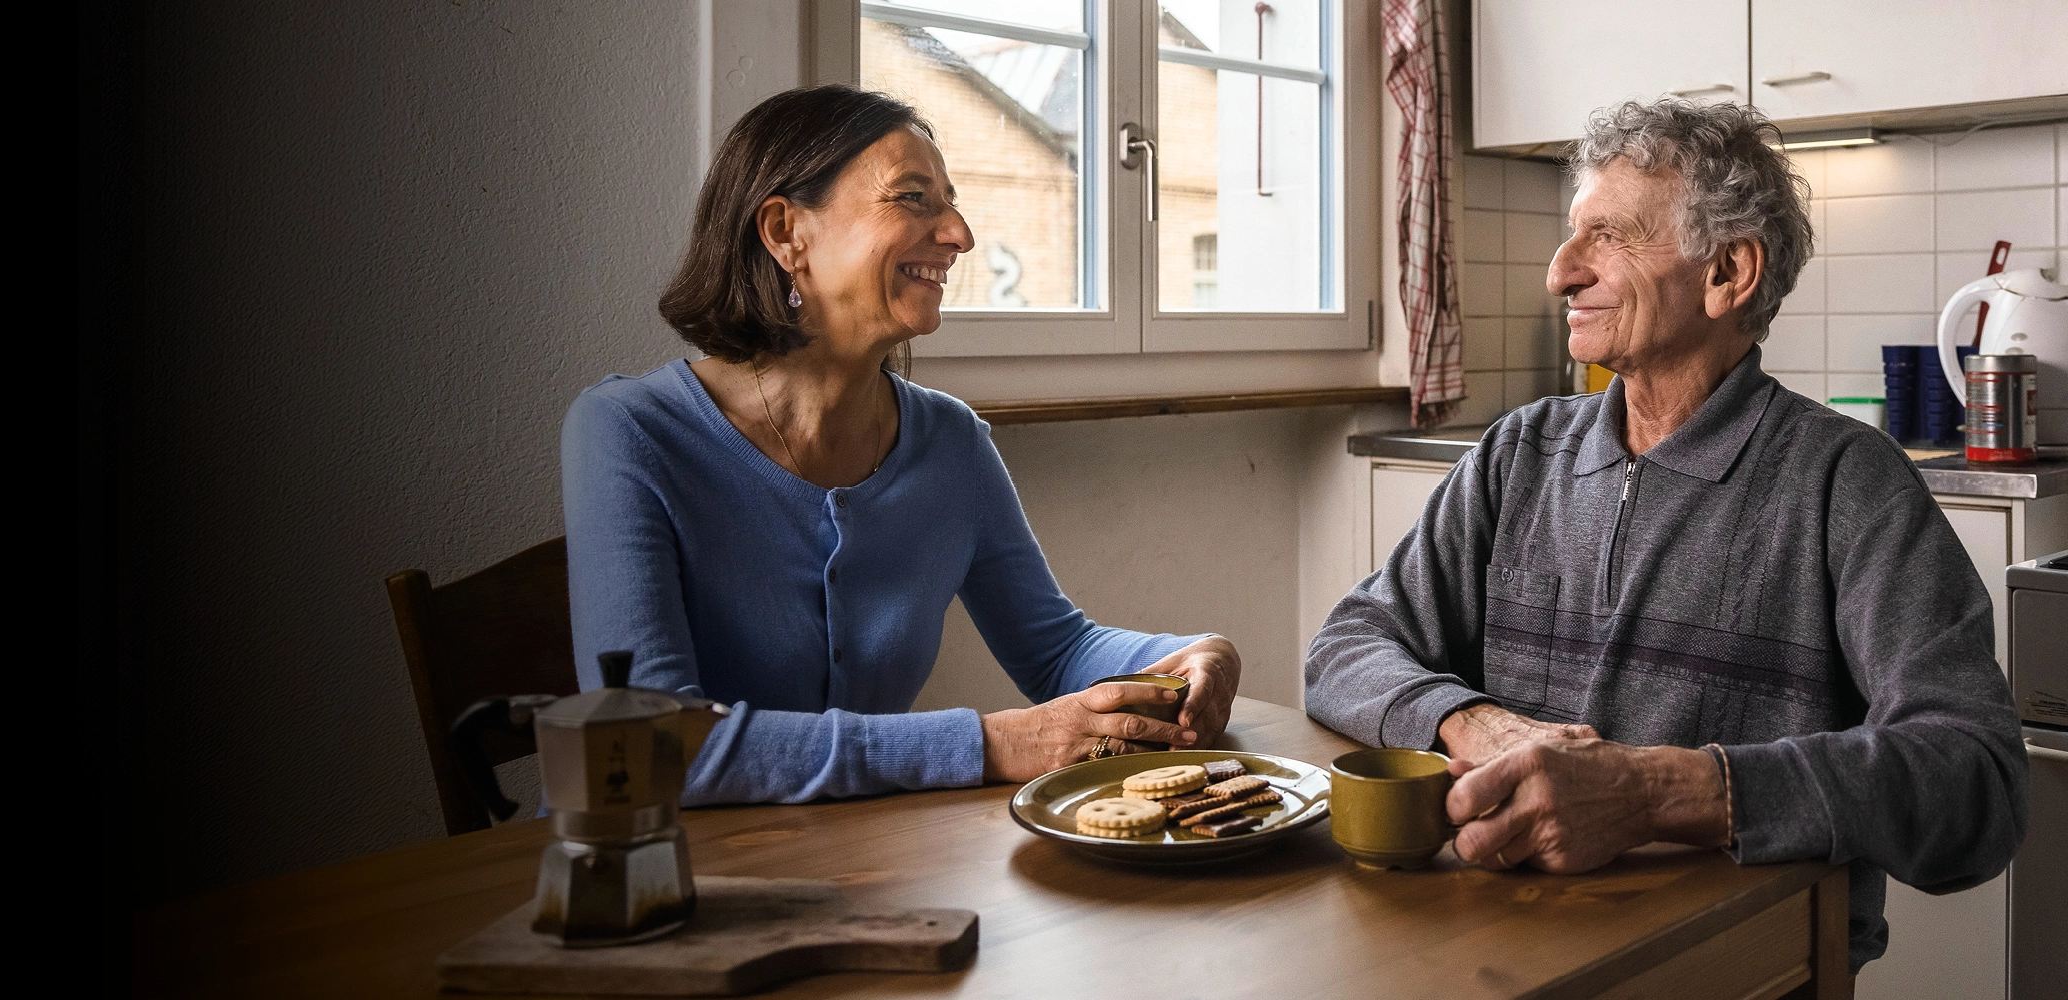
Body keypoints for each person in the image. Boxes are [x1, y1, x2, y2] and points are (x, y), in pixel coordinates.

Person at [1305, 99, 2025, 970]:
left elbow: (1975, 782)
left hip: (1739, 964)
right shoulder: (1516, 455)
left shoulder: (1849, 484)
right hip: (1498, 940)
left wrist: (1657, 791)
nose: (1560, 272)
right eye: (1572, 236)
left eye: (1607, 237)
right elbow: (1347, 645)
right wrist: (1473, 724)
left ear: (1727, 272)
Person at [561, 84, 1241, 805]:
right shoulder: (626, 432)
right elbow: (653, 744)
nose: (959, 235)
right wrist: (987, 743)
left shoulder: (950, 442)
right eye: (914, 198)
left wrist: (1188, 656)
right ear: (787, 232)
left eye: (949, 201)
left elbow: (1060, 651)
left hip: (870, 872)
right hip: (647, 885)